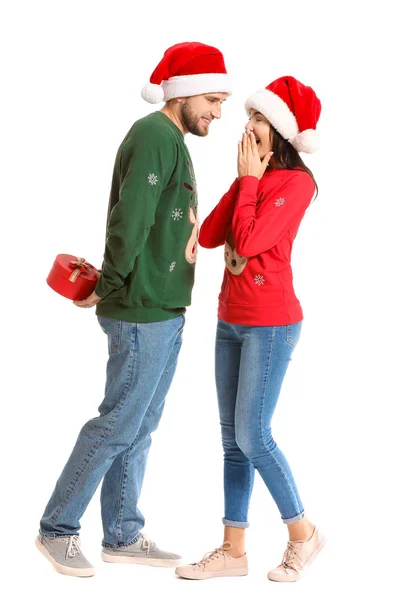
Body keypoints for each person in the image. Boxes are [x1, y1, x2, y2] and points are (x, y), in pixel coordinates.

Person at [36, 41, 232, 578]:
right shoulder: (153, 135)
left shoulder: (171, 138)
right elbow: (132, 217)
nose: (218, 111)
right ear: (185, 93)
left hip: (163, 307)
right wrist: (111, 282)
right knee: (118, 422)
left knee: (141, 424)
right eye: (213, 99)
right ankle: (57, 529)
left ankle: (122, 532)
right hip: (140, 306)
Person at [175, 76, 325, 582]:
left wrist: (250, 182)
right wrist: (243, 179)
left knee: (254, 436)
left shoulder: (297, 184)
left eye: (258, 118)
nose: (248, 126)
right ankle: (233, 551)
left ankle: (303, 535)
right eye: (249, 117)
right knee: (232, 441)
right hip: (230, 320)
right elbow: (216, 235)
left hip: (271, 324)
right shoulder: (253, 176)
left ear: (279, 130)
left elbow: (252, 236)